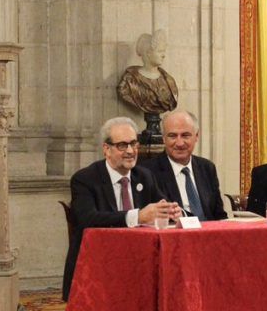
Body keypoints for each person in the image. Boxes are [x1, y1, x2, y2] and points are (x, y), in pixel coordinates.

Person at [62, 117, 180, 300]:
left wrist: (172, 213)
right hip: (98, 266)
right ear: (106, 149)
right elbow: (88, 219)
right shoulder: (85, 179)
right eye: (122, 146)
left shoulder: (145, 176)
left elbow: (161, 206)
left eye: (133, 144)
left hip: (141, 265)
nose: (131, 151)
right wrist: (137, 216)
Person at [142, 110, 227, 221]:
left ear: (196, 136)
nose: (180, 143)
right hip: (174, 236)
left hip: (209, 235)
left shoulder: (207, 168)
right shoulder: (148, 172)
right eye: (172, 136)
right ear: (163, 138)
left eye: (185, 135)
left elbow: (219, 215)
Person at [116, 30, 179, 115]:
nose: (163, 55)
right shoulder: (130, 79)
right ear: (148, 53)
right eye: (160, 51)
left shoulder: (168, 81)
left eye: (164, 51)